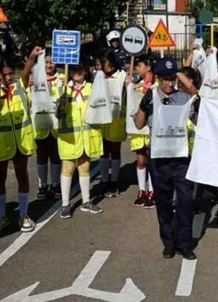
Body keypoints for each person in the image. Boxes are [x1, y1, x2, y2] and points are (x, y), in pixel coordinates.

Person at [134, 57, 200, 261]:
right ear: (158, 78)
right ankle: (169, 243)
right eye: (165, 79)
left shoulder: (183, 97)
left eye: (172, 79)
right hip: (159, 159)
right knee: (163, 204)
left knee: (186, 202)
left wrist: (182, 76)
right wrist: (144, 107)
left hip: (180, 159)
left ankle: (184, 243)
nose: (169, 84)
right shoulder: (150, 96)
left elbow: (198, 119)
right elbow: (138, 125)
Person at [0, 47, 41, 233]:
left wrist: (31, 56)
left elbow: (26, 72)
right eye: (5, 74)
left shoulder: (19, 87)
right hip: (2, 143)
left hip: (20, 141)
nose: (9, 77)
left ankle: (23, 214)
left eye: (11, 74)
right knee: (0, 180)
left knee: (22, 175)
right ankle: (1, 216)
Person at [56, 63, 104, 218]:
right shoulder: (62, 87)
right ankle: (65, 204)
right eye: (74, 70)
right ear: (69, 72)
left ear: (85, 71)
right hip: (69, 137)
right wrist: (60, 99)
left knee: (85, 167)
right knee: (68, 169)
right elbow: (55, 113)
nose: (78, 73)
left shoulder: (92, 87)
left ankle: (86, 201)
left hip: (87, 136)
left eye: (80, 70)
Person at [97, 51, 127, 197]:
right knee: (103, 151)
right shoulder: (99, 76)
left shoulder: (122, 76)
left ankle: (114, 181)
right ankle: (104, 180)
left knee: (114, 151)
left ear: (109, 63)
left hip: (116, 120)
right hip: (102, 119)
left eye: (102, 63)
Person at [35, 54, 64, 200]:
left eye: (52, 62)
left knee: (55, 154)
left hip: (56, 123)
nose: (49, 65)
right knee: (41, 155)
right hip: (40, 122)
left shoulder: (62, 78)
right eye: (46, 62)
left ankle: (56, 183)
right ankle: (42, 185)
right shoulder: (37, 79)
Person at [129, 56, 156, 208]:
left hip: (151, 126)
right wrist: (129, 87)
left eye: (139, 66)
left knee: (151, 159)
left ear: (148, 67)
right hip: (138, 127)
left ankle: (152, 191)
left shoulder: (157, 85)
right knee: (141, 160)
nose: (137, 69)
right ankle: (141, 190)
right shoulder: (135, 85)